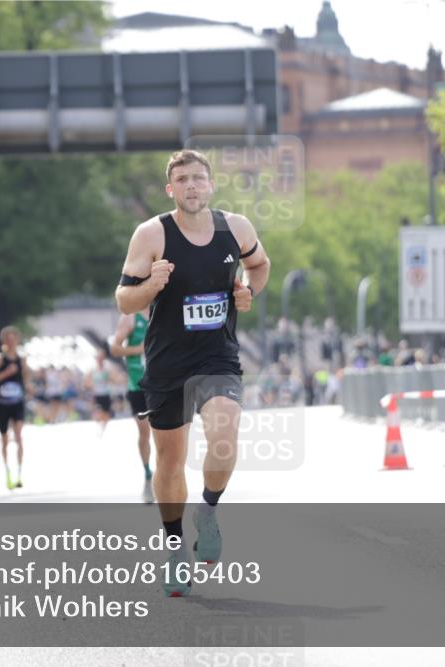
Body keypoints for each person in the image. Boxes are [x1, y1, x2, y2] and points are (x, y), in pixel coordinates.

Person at [114, 149, 271, 597]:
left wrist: (247, 292)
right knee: (169, 459)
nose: (191, 186)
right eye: (182, 179)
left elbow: (259, 265)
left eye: (198, 178)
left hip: (217, 356)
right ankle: (175, 548)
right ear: (171, 189)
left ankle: (208, 509)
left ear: (210, 184)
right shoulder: (151, 235)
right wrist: (152, 284)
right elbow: (124, 301)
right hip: (167, 363)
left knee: (224, 434)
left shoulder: (235, 228)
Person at [109, 309, 155, 503]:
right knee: (145, 433)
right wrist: (138, 350)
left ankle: (165, 478)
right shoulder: (130, 317)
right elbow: (115, 348)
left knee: (167, 435)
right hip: (138, 386)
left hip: (163, 384)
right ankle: (147, 474)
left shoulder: (163, 309)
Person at [0, 326, 30, 490]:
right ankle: (8, 472)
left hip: (17, 402)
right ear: (3, 341)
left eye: (14, 339)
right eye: (8, 340)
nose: (11, 343)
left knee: (19, 435)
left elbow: (25, 379)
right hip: (2, 403)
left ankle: (19, 473)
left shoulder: (21, 358)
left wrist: (28, 383)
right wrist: (6, 373)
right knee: (4, 439)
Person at [86, 349, 114, 436]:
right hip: (97, 394)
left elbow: (113, 379)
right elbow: (87, 382)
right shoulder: (93, 370)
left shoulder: (107, 369)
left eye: (101, 358)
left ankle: (103, 427)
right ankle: (99, 426)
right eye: (98, 358)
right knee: (98, 412)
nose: (100, 360)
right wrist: (91, 385)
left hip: (106, 393)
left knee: (107, 413)